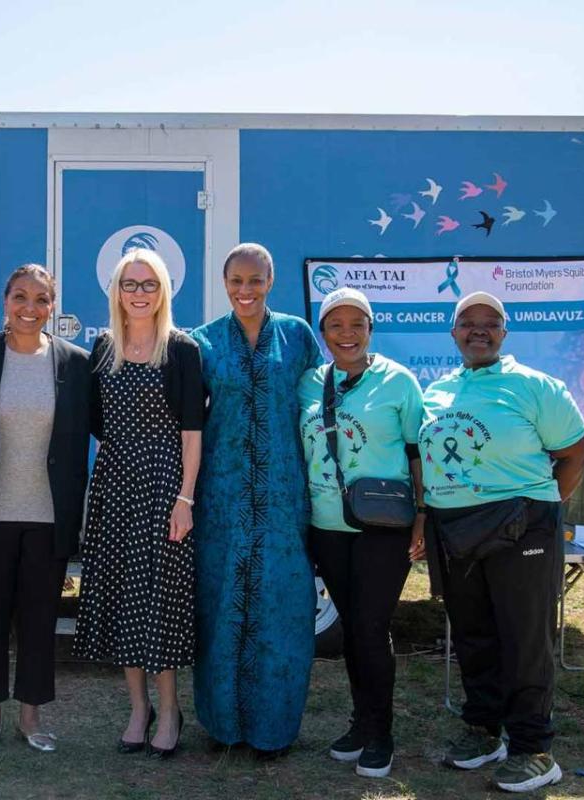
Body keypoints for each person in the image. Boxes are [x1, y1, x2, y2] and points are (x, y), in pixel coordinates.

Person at [422, 291, 584, 793]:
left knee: (524, 638)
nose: (478, 330)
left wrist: (537, 510)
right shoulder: (438, 391)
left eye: (489, 323)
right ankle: (483, 731)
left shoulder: (535, 386)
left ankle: (533, 748)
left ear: (504, 333)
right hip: (455, 531)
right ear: (453, 334)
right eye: (467, 323)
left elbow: (577, 453)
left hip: (523, 527)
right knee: (473, 635)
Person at [189, 243, 321, 759]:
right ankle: (222, 724)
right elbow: (188, 422)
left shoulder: (297, 337)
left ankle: (273, 728)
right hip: (221, 501)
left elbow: (316, 409)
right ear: (224, 283)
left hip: (284, 498)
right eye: (236, 281)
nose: (246, 290)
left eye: (255, 280)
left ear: (271, 280)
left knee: (282, 608)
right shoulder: (202, 343)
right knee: (221, 605)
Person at [72, 248, 204, 759]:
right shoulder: (104, 348)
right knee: (124, 598)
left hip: (166, 487)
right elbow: (95, 423)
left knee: (162, 602)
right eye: (131, 284)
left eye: (149, 284)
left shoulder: (182, 349)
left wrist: (185, 497)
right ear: (117, 291)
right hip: (115, 487)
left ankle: (170, 710)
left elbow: (192, 431)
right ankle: (137, 708)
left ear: (164, 290)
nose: (140, 293)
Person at [297, 287, 425, 778]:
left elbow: (418, 453)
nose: (346, 334)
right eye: (335, 325)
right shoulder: (311, 383)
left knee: (372, 628)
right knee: (352, 629)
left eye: (357, 324)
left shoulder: (398, 382)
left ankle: (381, 734)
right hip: (327, 527)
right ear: (323, 332)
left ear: (371, 329)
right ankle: (360, 721)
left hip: (383, 527)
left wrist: (421, 514)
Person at [0, 264, 91, 752]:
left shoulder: (75, 363)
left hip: (47, 515)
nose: (30, 308)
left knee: (39, 621)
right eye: (20, 297)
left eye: (41, 299)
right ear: (5, 301)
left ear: (52, 307)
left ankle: (31, 718)